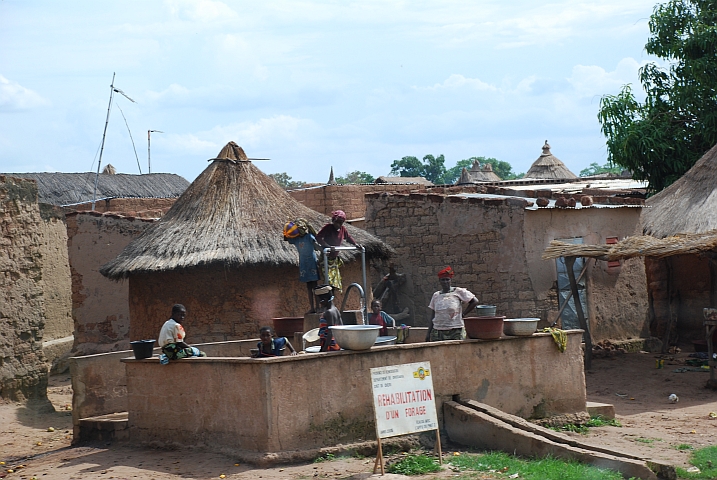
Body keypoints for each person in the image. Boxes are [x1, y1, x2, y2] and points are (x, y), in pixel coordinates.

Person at [425, 267, 479, 342]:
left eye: (447, 279)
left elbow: (475, 301)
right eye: (443, 280)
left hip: (456, 330)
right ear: (439, 281)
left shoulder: (458, 292)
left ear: (451, 280)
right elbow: (433, 315)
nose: (445, 282)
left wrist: (463, 314)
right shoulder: (436, 295)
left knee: (457, 352)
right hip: (438, 331)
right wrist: (428, 333)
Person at [316, 210, 361, 290]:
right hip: (326, 258)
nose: (338, 225)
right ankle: (329, 300)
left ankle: (332, 299)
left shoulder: (343, 229)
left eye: (341, 223)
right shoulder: (328, 228)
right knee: (329, 281)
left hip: (334, 260)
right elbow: (318, 237)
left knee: (335, 283)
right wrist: (328, 246)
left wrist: (356, 244)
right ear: (333, 221)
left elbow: (349, 237)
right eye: (337, 222)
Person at [283, 218, 321, 312]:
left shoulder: (309, 236)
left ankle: (317, 307)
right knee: (309, 286)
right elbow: (286, 238)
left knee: (315, 286)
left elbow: (317, 238)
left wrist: (309, 224)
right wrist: (287, 230)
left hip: (312, 263)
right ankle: (312, 307)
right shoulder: (296, 239)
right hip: (304, 264)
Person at [315, 284, 342, 351]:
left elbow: (330, 331)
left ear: (324, 300)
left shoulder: (328, 312)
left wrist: (324, 349)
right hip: (336, 344)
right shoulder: (335, 310)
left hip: (330, 346)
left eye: (319, 301)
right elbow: (341, 326)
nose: (319, 304)